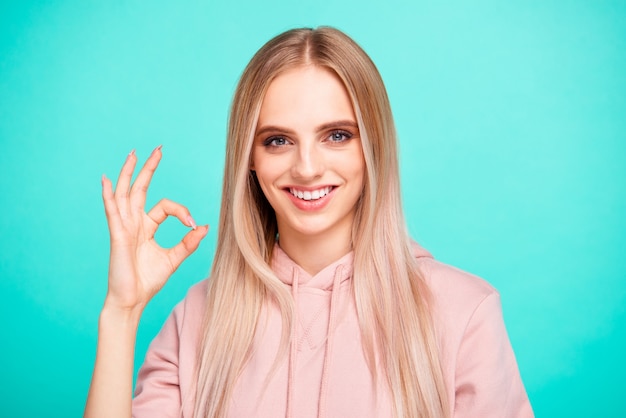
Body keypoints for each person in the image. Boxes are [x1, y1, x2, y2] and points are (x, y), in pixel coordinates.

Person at [84, 27, 533, 418]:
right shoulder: (197, 318)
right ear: (250, 161)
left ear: (372, 147)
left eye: (336, 135)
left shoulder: (464, 311)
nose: (307, 167)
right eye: (278, 140)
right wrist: (122, 312)